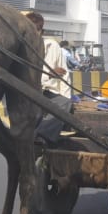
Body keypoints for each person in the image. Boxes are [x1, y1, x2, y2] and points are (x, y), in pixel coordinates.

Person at [25, 12, 71, 145]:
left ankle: (42, 135)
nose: (33, 35)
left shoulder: (52, 46)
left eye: (36, 30)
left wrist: (65, 97)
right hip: (28, 91)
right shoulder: (22, 48)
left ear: (41, 31)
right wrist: (49, 74)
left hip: (48, 92)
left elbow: (64, 73)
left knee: (65, 103)